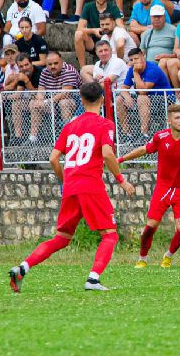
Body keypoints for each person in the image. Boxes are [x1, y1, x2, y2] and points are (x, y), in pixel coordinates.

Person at [8, 82, 136, 294]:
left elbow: (53, 159)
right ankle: (93, 280)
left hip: (71, 185)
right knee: (110, 234)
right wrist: (121, 180)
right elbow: (106, 153)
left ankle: (22, 268)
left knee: (61, 238)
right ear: (103, 99)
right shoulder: (105, 124)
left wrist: (64, 180)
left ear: (81, 99)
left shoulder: (70, 126)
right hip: (90, 184)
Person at [116, 104, 180, 268]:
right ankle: (142, 259)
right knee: (150, 227)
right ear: (169, 120)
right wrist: (121, 159)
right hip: (163, 189)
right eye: (177, 118)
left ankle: (167, 257)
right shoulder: (161, 137)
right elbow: (144, 149)